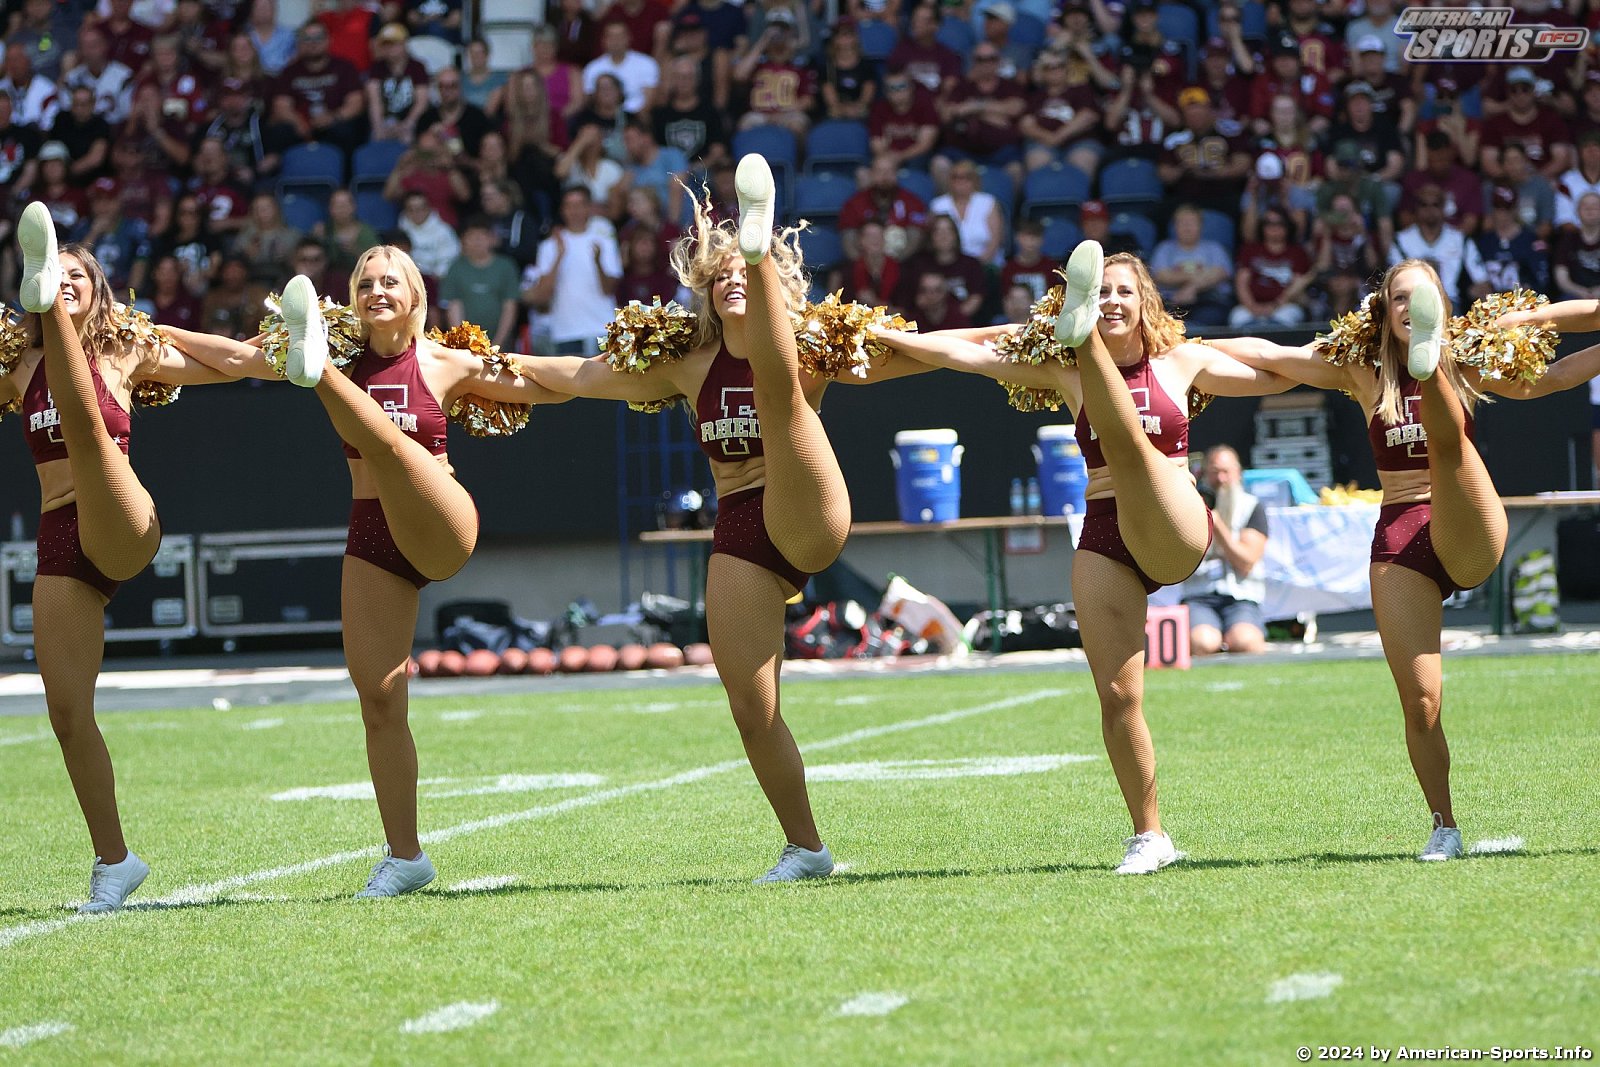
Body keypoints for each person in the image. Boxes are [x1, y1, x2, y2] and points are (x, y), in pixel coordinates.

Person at [520, 155, 937, 881]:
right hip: (741, 523)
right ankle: (806, 848)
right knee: (751, 705)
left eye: (746, 267)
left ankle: (760, 233)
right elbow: (576, 377)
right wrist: (468, 366)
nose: (731, 281)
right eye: (722, 276)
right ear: (707, 294)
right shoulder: (690, 364)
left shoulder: (815, 345)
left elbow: (926, 352)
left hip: (805, 504)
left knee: (781, 385)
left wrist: (1033, 340)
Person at [869, 241, 1292, 873]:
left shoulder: (1181, 362)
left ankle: (1131, 433)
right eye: (1101, 293)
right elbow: (967, 355)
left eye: (1123, 291)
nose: (1113, 301)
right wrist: (884, 334)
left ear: (1146, 303)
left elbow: (1276, 374)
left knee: (1141, 457)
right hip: (1105, 527)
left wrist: (1349, 357)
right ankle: (1149, 835)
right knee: (1117, 697)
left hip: (1172, 519)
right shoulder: (1065, 372)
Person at [164, 252, 569, 896]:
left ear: (416, 295)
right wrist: (151, 331)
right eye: (364, 284)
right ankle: (406, 856)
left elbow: (551, 380)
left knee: (385, 441)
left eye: (389, 282)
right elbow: (234, 359)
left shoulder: (447, 363)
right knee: (378, 699)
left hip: (439, 521)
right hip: (374, 533)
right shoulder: (345, 354)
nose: (377, 291)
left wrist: (644, 371)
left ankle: (314, 374)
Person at [1216, 263, 1600, 859]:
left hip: (1465, 516)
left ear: (1441, 305)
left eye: (1419, 299)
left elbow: (1555, 375)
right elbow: (1272, 356)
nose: (1406, 306)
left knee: (1450, 445)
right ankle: (1444, 825)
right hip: (1402, 532)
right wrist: (1178, 347)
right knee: (1421, 703)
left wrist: (1527, 317)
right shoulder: (1361, 370)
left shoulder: (1471, 355)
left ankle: (1431, 372)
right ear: (1383, 311)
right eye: (1398, 298)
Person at [2, 203, 258, 911]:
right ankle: (115, 862)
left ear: (99, 290)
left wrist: (304, 352)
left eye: (77, 275)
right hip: (61, 535)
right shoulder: (19, 365)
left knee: (87, 423)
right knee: (65, 712)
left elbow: (232, 360)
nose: (68, 283)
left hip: (121, 516)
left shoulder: (124, 351)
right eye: (55, 275)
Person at [1181, 445, 1268, 655]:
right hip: (1199, 595)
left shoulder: (1252, 507)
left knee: (1245, 641)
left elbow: (1246, 562)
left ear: (1238, 473)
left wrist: (1217, 524)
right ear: (1204, 474)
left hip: (1241, 595)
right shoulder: (1188, 506)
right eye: (1214, 472)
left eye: (1226, 472)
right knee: (1202, 642)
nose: (1221, 479)